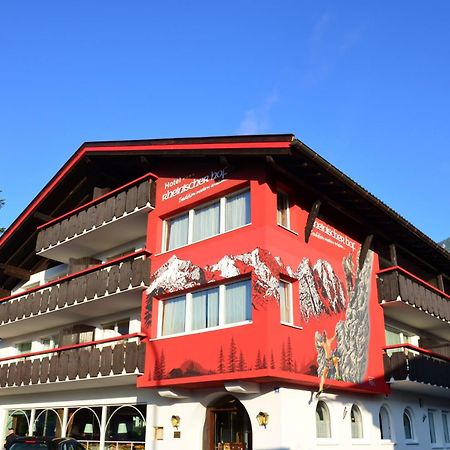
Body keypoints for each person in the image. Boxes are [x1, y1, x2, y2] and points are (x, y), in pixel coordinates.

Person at [317, 330, 341, 397]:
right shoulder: (328, 341)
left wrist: (317, 342)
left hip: (327, 360)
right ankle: (338, 375)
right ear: (326, 336)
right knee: (335, 361)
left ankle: (320, 388)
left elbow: (319, 344)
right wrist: (336, 334)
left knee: (323, 375)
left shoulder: (323, 343)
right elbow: (334, 337)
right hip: (330, 359)